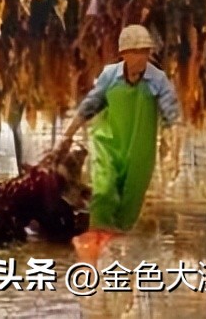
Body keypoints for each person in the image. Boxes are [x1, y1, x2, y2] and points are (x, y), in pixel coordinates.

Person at [52, 24, 181, 260]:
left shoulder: (157, 80)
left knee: (131, 201)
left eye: (145, 52)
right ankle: (93, 250)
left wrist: (174, 152)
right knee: (104, 191)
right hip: (108, 144)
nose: (141, 57)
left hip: (140, 151)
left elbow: (172, 118)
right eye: (136, 52)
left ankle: (115, 254)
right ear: (123, 54)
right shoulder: (110, 77)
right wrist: (67, 137)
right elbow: (88, 107)